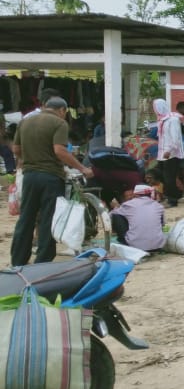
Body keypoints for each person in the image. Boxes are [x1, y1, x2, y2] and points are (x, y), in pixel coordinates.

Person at [11, 98, 94, 265]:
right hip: (51, 177)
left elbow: (16, 149)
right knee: (49, 217)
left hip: (29, 176)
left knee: (26, 217)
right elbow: (60, 151)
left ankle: (18, 260)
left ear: (45, 107)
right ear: (62, 110)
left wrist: (31, 159)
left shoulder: (25, 122)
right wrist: (82, 168)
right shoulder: (59, 123)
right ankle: (43, 260)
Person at [111, 185, 166, 251]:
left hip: (136, 247)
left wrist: (115, 207)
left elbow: (111, 214)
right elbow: (162, 224)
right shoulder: (158, 206)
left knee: (116, 215)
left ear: (135, 194)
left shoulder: (129, 205)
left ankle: (123, 241)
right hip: (158, 245)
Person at [154, 99, 184, 207]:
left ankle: (173, 199)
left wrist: (169, 150)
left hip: (171, 153)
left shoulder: (172, 120)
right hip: (162, 153)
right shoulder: (162, 120)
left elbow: (175, 138)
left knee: (169, 177)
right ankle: (169, 196)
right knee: (163, 176)